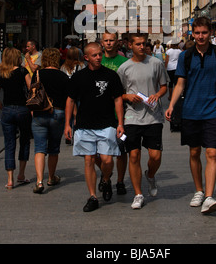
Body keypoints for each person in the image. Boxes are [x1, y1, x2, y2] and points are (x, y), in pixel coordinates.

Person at [165, 17, 216, 214]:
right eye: (197, 33)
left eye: (204, 32)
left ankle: (209, 196)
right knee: (194, 152)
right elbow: (180, 83)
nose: (201, 36)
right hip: (191, 111)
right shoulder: (186, 56)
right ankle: (199, 190)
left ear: (210, 33)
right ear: (192, 34)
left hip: (213, 110)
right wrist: (171, 105)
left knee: (211, 153)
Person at [64, 42, 124, 212]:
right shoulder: (78, 77)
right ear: (86, 57)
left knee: (107, 160)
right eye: (95, 55)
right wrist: (67, 124)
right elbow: (70, 100)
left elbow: (118, 99)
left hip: (106, 123)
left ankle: (105, 179)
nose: (99, 57)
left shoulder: (111, 75)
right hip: (84, 124)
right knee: (89, 160)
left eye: (100, 54)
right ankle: (92, 197)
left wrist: (120, 123)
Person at [117, 33, 167, 209]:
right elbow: (118, 94)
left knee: (155, 155)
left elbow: (164, 86)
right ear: (130, 45)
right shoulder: (124, 68)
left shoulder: (156, 63)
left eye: (144, 44)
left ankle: (151, 175)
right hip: (132, 117)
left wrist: (157, 95)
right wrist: (127, 96)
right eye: (137, 44)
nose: (141, 47)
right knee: (134, 155)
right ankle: (138, 194)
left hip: (153, 116)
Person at [31, 48, 69, 194]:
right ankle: (51, 177)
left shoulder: (37, 73)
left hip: (39, 113)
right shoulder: (63, 76)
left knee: (39, 148)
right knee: (53, 149)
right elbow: (68, 99)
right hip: (57, 113)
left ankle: (39, 181)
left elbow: (32, 92)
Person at [0, 47, 32, 189]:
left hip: (8, 110)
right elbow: (32, 90)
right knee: (25, 141)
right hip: (23, 110)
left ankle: (10, 179)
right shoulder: (23, 71)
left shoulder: (1, 73)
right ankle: (21, 174)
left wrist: (3, 108)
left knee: (9, 145)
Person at [100, 31, 128, 195]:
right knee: (100, 152)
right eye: (106, 41)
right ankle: (106, 175)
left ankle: (120, 181)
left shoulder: (124, 62)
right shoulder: (97, 59)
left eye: (112, 40)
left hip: (120, 114)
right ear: (102, 42)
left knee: (121, 149)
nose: (109, 43)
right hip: (100, 113)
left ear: (117, 42)